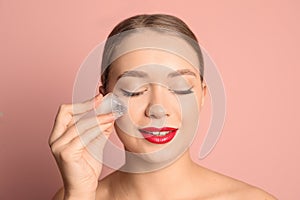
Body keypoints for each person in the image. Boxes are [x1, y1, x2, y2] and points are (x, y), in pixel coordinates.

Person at [49, 14, 277, 200]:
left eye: (179, 88)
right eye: (134, 89)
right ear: (104, 98)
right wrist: (79, 194)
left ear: (202, 96)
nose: (157, 109)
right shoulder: (75, 196)